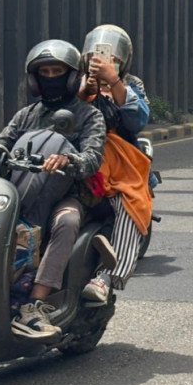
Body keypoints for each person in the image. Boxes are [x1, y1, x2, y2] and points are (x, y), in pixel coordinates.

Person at [0, 39, 106, 337]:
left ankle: (34, 304)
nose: (50, 77)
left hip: (66, 194)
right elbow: (2, 143)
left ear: (72, 76)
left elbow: (93, 157)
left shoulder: (89, 115)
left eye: (57, 71)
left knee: (68, 222)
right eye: (45, 72)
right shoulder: (27, 114)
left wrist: (68, 159)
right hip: (17, 190)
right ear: (34, 78)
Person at [78, 24, 156, 303]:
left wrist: (115, 83)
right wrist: (85, 90)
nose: (103, 61)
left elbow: (138, 119)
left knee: (130, 202)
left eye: (113, 58)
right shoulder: (76, 80)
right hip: (79, 157)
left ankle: (107, 277)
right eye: (97, 55)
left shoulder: (131, 85)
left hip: (120, 162)